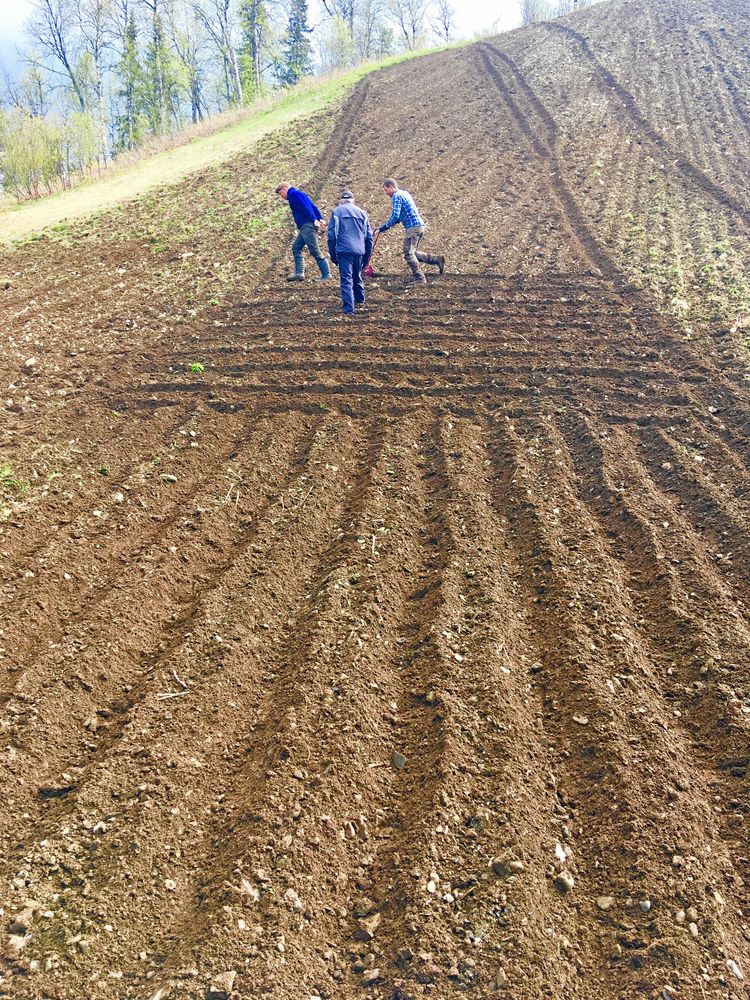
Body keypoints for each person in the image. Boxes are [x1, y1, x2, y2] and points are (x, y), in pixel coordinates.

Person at [377, 178, 444, 284]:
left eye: (386, 190)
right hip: (419, 225)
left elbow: (395, 215)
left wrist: (384, 227)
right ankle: (437, 259)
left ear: (391, 187)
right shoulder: (404, 193)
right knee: (413, 252)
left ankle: (420, 278)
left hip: (413, 227)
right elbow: (400, 216)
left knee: (408, 253)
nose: (386, 193)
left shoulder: (396, 196)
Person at [327, 190, 373, 315]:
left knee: (346, 279)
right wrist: (367, 257)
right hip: (359, 250)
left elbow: (332, 236)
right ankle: (360, 300)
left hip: (344, 250)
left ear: (341, 200)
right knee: (356, 275)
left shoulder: (336, 212)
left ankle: (349, 309)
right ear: (353, 200)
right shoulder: (362, 213)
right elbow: (368, 237)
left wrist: (333, 255)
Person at [275, 182, 331, 282]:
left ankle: (326, 274)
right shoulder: (300, 193)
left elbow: (305, 207)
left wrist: (314, 219)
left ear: (284, 189)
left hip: (307, 226)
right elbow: (312, 206)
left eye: (280, 193)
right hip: (306, 226)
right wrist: (319, 218)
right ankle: (299, 273)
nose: (281, 197)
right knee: (296, 247)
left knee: (314, 250)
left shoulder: (293, 195)